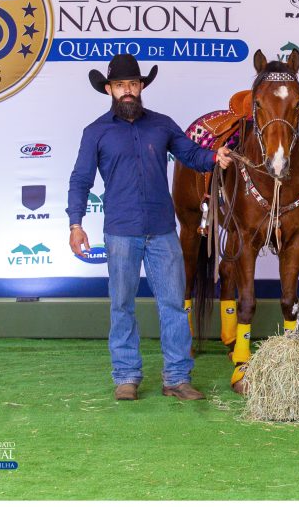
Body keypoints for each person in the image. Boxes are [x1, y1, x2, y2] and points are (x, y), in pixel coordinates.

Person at [66, 54, 232, 402]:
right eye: (121, 85)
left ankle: (177, 378)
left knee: (173, 304)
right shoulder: (95, 132)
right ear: (109, 89)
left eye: (133, 84)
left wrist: (215, 157)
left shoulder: (162, 124)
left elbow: (191, 155)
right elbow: (81, 180)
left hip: (161, 231)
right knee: (122, 304)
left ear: (141, 87)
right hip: (120, 231)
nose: (128, 90)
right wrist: (76, 224)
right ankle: (126, 376)